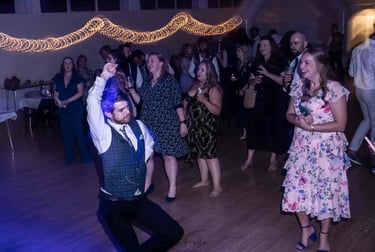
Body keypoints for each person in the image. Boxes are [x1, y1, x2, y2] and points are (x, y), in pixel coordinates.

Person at [86, 62, 184, 252]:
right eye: (121, 110)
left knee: (174, 232)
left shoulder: (138, 125)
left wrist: (143, 177)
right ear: (107, 114)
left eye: (127, 107)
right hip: (115, 206)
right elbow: (91, 101)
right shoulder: (103, 135)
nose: (127, 112)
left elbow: (148, 146)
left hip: (138, 200)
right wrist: (104, 76)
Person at [281, 47, 350, 252]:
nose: (301, 67)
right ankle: (305, 228)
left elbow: (341, 125)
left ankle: (324, 238)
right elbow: (289, 114)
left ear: (320, 65)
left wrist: (311, 126)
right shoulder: (299, 87)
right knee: (294, 190)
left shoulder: (334, 89)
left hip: (326, 151)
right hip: (301, 148)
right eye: (301, 62)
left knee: (324, 194)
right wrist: (298, 121)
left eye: (306, 63)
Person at [128, 52, 189, 202]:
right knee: (148, 155)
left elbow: (178, 103)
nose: (149, 64)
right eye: (148, 62)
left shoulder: (170, 81)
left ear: (161, 63)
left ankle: (172, 187)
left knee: (168, 156)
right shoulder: (147, 82)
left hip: (166, 123)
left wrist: (182, 123)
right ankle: (147, 184)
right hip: (149, 123)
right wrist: (131, 90)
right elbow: (140, 102)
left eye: (153, 61)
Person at [240, 36, 289, 171]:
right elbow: (250, 79)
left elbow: (284, 81)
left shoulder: (280, 61)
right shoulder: (257, 62)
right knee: (253, 129)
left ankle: (273, 160)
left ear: (272, 46)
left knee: (272, 129)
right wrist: (253, 81)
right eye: (260, 45)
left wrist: (267, 74)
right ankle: (249, 159)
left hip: (274, 100)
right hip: (258, 100)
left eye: (265, 45)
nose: (262, 48)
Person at [184, 60, 224, 197]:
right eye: (198, 69)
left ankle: (218, 186)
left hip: (207, 127)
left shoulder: (213, 89)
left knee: (210, 155)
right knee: (200, 154)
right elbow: (186, 100)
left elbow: (217, 110)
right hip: (195, 126)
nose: (198, 72)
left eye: (202, 70)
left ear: (209, 73)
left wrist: (204, 101)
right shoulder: (195, 85)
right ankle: (204, 180)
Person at [52, 57, 91, 165]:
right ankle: (69, 158)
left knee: (78, 132)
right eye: (66, 63)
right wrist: (57, 101)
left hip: (76, 107)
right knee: (66, 133)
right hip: (63, 109)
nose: (68, 65)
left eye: (70, 63)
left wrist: (67, 101)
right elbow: (55, 93)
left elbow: (81, 92)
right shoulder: (58, 77)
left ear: (73, 65)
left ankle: (85, 157)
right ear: (63, 65)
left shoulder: (77, 77)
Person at [346, 29, 375, 171]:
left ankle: (352, 149)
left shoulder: (357, 49)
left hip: (359, 90)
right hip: (372, 90)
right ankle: (373, 156)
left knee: (367, 120)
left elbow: (351, 72)